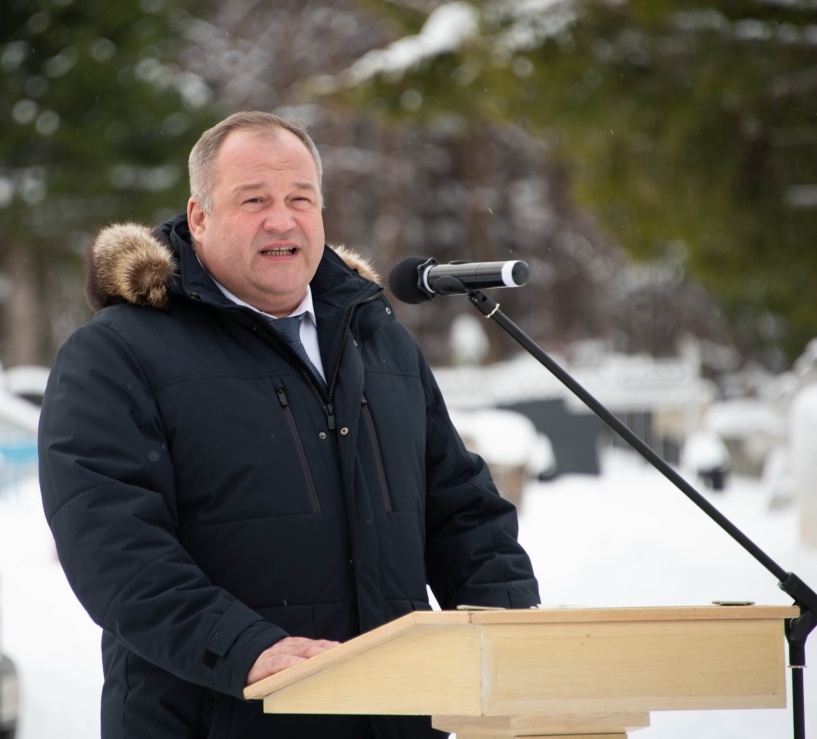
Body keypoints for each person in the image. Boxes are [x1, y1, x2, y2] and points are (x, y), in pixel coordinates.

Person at [38, 111, 540, 739]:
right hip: (222, 717)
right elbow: (112, 549)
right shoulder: (117, 355)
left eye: (300, 198)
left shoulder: (376, 339)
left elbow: (461, 510)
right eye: (254, 200)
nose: (282, 220)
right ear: (199, 217)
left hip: (397, 717)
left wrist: (518, 640)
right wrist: (245, 649)